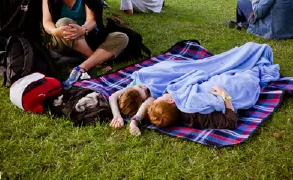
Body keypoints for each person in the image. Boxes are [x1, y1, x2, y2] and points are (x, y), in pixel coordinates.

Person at [109, 42, 279, 135]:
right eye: (160, 97)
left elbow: (193, 76)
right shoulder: (197, 116)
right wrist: (225, 97)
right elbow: (230, 122)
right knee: (248, 65)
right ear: (171, 101)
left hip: (210, 81)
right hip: (233, 87)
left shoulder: (178, 107)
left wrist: (128, 119)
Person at [42, 0, 129, 88]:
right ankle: (97, 61)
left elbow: (91, 20)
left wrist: (83, 29)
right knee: (64, 22)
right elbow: (47, 22)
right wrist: (55, 31)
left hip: (87, 36)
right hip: (63, 38)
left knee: (122, 37)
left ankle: (82, 67)